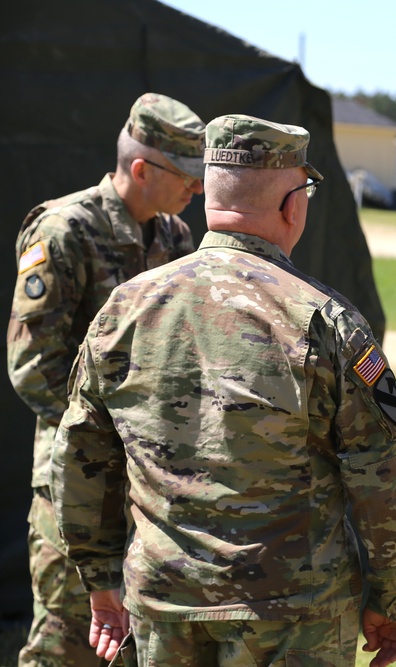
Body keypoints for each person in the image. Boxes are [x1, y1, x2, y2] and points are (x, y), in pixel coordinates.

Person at [51, 114, 396, 665]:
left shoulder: (124, 310)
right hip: (294, 615)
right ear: (291, 205)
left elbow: (81, 454)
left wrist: (100, 578)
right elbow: (381, 475)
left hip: (163, 607)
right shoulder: (324, 321)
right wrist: (393, 597)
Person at [7, 92, 205, 667]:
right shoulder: (64, 231)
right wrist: (115, 435)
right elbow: (33, 369)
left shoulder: (174, 240)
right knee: (67, 643)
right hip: (80, 484)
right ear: (142, 169)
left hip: (152, 486)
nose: (196, 189)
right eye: (186, 176)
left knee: (144, 644)